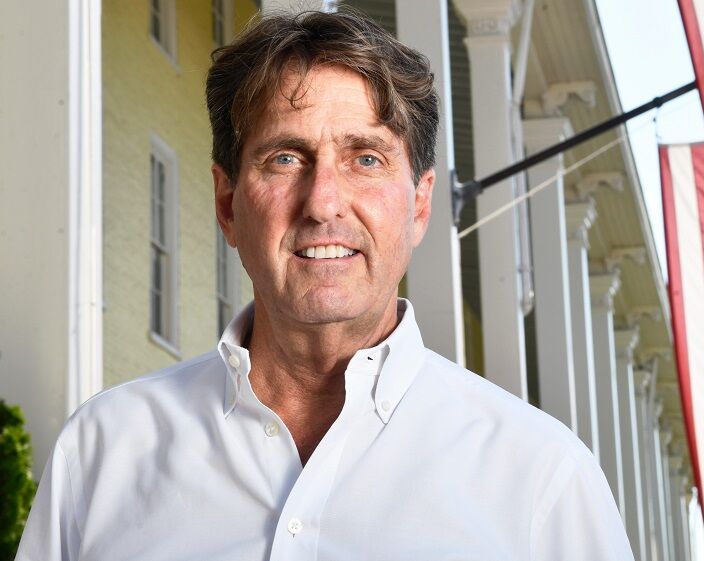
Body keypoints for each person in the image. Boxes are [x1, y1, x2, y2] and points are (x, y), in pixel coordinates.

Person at [16, 9, 633, 561]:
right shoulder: (102, 453)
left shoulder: (541, 479)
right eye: (285, 158)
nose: (323, 202)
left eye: (366, 158)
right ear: (228, 203)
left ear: (419, 206)